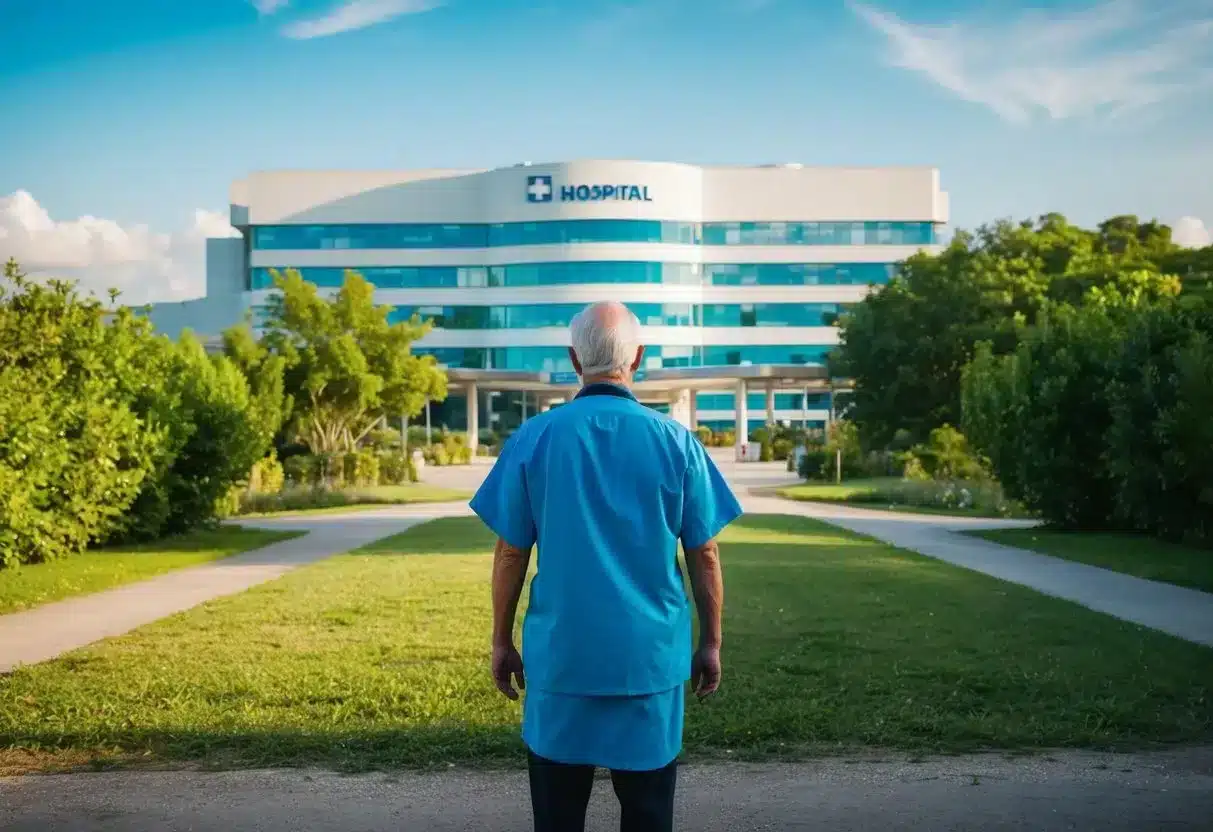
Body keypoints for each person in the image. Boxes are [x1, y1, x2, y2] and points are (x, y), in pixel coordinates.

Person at [469, 300, 743, 832]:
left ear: (574, 360)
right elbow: (704, 553)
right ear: (638, 357)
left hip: (562, 660)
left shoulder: (535, 438)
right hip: (649, 662)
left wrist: (502, 640)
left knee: (558, 817)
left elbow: (510, 553)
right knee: (647, 815)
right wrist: (710, 642)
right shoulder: (677, 442)